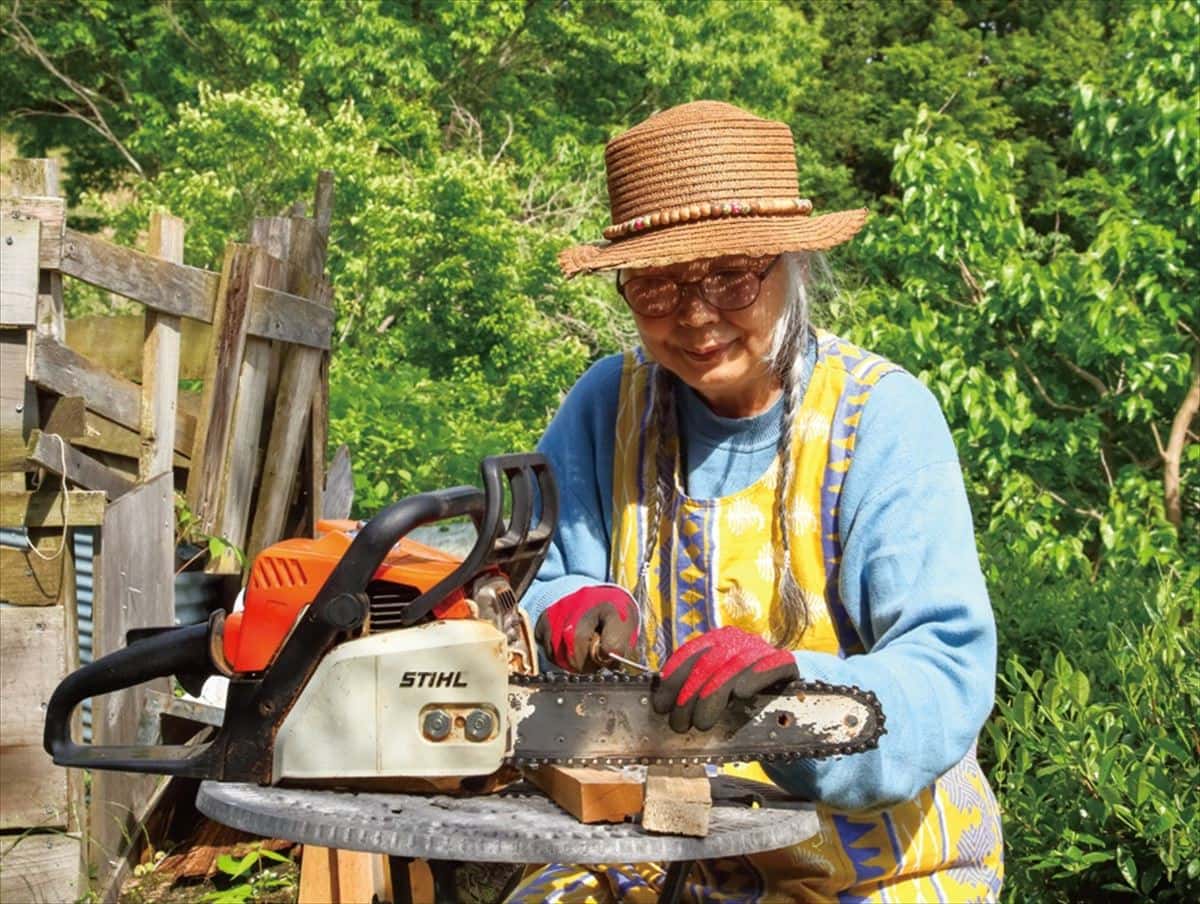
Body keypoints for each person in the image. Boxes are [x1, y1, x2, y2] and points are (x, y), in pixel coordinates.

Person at [510, 101, 1004, 903]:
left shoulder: (879, 418)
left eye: (732, 277)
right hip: (638, 847)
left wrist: (798, 693)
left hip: (874, 866)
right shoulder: (606, 405)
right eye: (658, 286)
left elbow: (946, 668)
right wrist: (568, 602)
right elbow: (532, 585)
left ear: (791, 265)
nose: (697, 317)